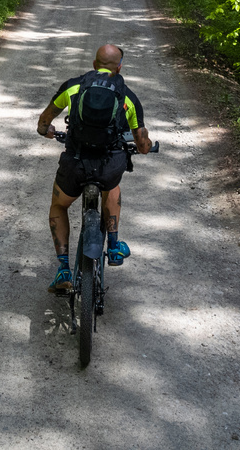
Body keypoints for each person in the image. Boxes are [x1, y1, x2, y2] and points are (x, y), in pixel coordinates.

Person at [36, 43, 153, 293]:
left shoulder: (73, 86)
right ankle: (113, 245)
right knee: (112, 185)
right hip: (108, 165)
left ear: (93, 64)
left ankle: (64, 269)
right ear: (119, 68)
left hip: (75, 164)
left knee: (58, 205)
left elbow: (45, 120)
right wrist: (146, 146)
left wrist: (46, 131)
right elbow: (141, 143)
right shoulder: (128, 97)